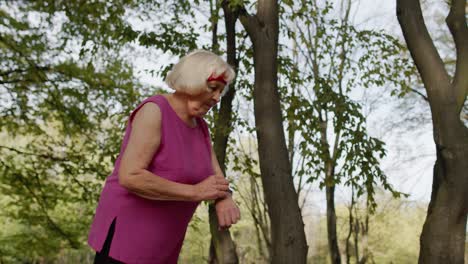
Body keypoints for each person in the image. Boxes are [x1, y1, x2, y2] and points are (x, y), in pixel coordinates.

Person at [88, 50, 241, 264]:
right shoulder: (155, 110)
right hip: (128, 237)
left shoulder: (201, 128)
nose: (217, 98)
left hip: (165, 242)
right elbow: (131, 176)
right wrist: (194, 192)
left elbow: (215, 176)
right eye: (213, 88)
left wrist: (224, 198)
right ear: (192, 81)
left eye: (220, 92)